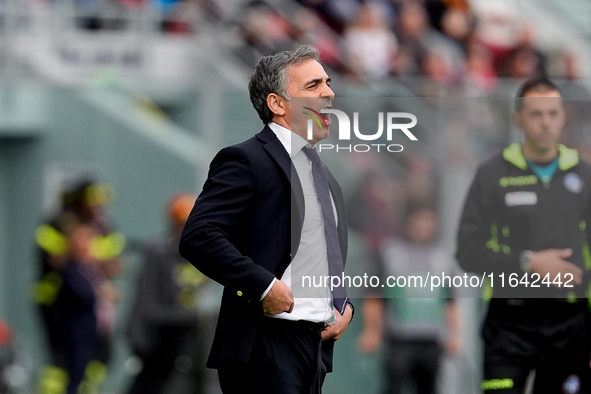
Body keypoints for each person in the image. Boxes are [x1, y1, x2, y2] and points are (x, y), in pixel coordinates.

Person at [179, 44, 353, 394]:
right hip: (265, 345)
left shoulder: (320, 169)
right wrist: (263, 286)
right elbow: (199, 235)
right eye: (313, 85)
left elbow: (317, 254)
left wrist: (342, 304)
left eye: (328, 83)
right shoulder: (246, 160)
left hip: (313, 347)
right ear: (277, 104)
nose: (329, 92)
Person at [456, 78, 591, 393]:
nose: (546, 122)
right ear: (518, 118)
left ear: (562, 116)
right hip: (509, 322)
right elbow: (467, 251)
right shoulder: (492, 174)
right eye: (535, 114)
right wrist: (528, 262)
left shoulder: (584, 176)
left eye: (552, 113)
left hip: (570, 324)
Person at [357, 204, 461, 394]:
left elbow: (450, 300)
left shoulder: (442, 256)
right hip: (399, 340)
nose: (424, 226)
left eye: (428, 221)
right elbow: (373, 296)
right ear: (408, 223)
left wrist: (454, 334)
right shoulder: (390, 252)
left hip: (432, 341)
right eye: (419, 220)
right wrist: (372, 331)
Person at [126, 192, 210, 394]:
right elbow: (144, 296)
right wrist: (138, 337)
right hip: (159, 336)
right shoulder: (159, 252)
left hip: (188, 337)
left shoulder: (200, 255)